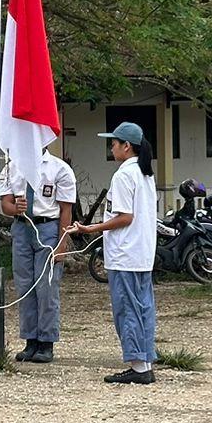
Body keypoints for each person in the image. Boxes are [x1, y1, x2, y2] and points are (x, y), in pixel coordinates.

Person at [73, 121, 159, 385]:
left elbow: (124, 217)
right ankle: (144, 361)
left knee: (127, 309)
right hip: (142, 252)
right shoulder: (145, 173)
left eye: (114, 143)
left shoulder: (124, 175)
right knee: (143, 307)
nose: (111, 147)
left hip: (125, 253)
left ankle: (138, 365)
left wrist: (92, 228)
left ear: (127, 146)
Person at [0, 145, 77, 363]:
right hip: (22, 227)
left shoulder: (59, 169)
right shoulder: (12, 167)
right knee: (24, 284)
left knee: (46, 285)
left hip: (47, 227)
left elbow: (66, 210)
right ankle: (30, 339)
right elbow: (5, 203)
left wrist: (61, 245)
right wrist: (15, 208)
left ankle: (46, 341)